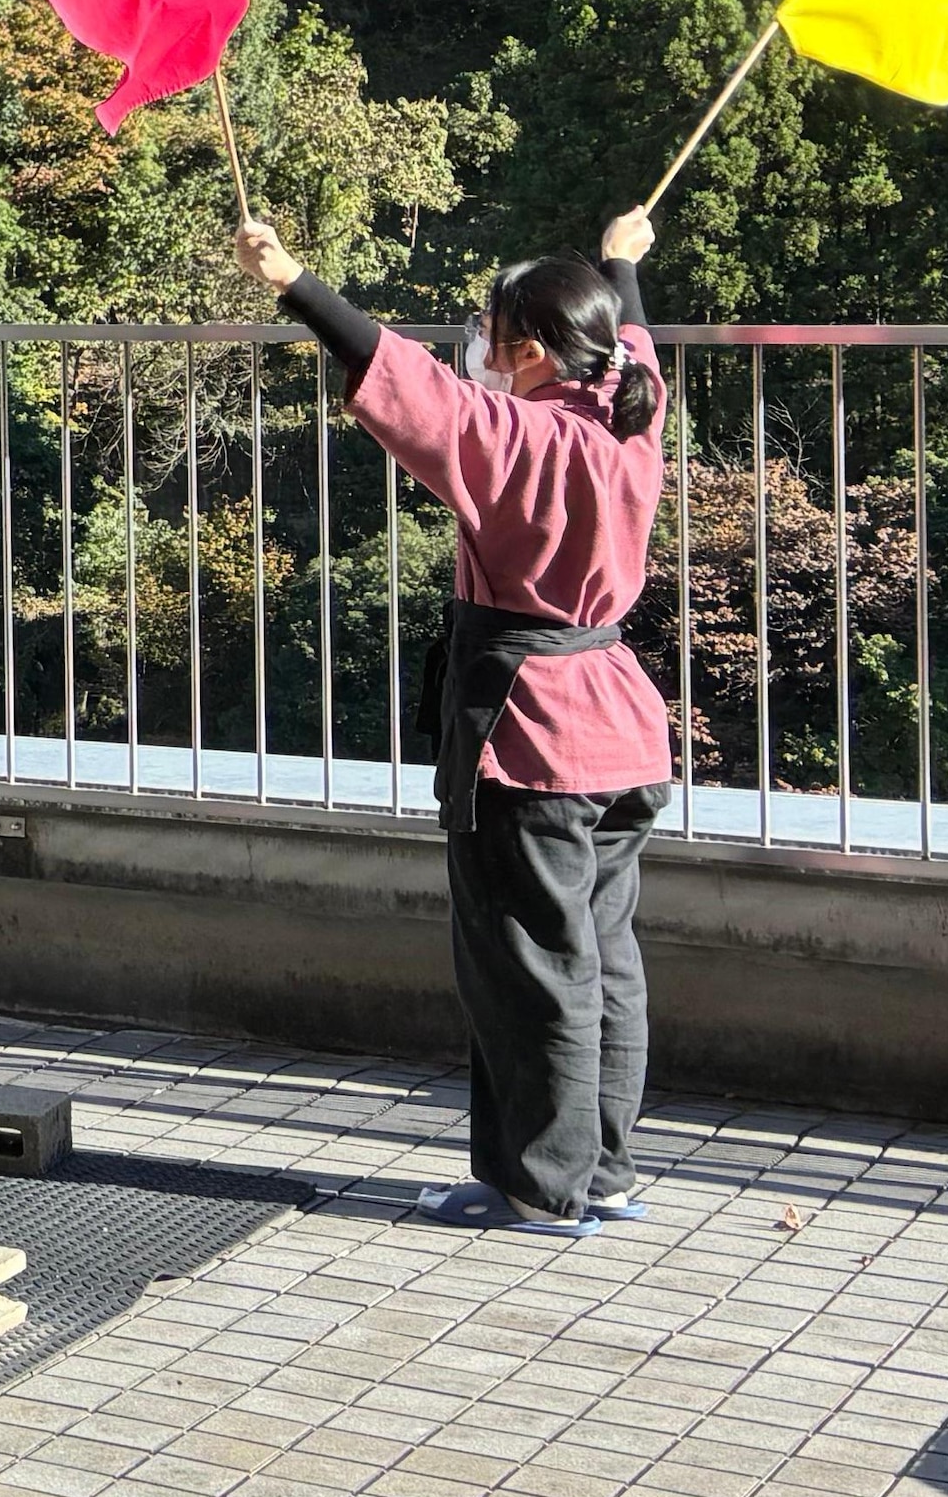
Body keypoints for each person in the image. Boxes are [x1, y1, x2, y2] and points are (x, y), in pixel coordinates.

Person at [238, 203, 669, 1235]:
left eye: (489, 332)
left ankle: (535, 1186)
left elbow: (403, 381)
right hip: (618, 723)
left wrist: (294, 281)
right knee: (603, 960)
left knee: (527, 966)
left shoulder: (511, 432)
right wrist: (620, 263)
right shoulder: (630, 408)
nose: (476, 348)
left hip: (529, 732)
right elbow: (633, 336)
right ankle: (600, 1172)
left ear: (523, 348)